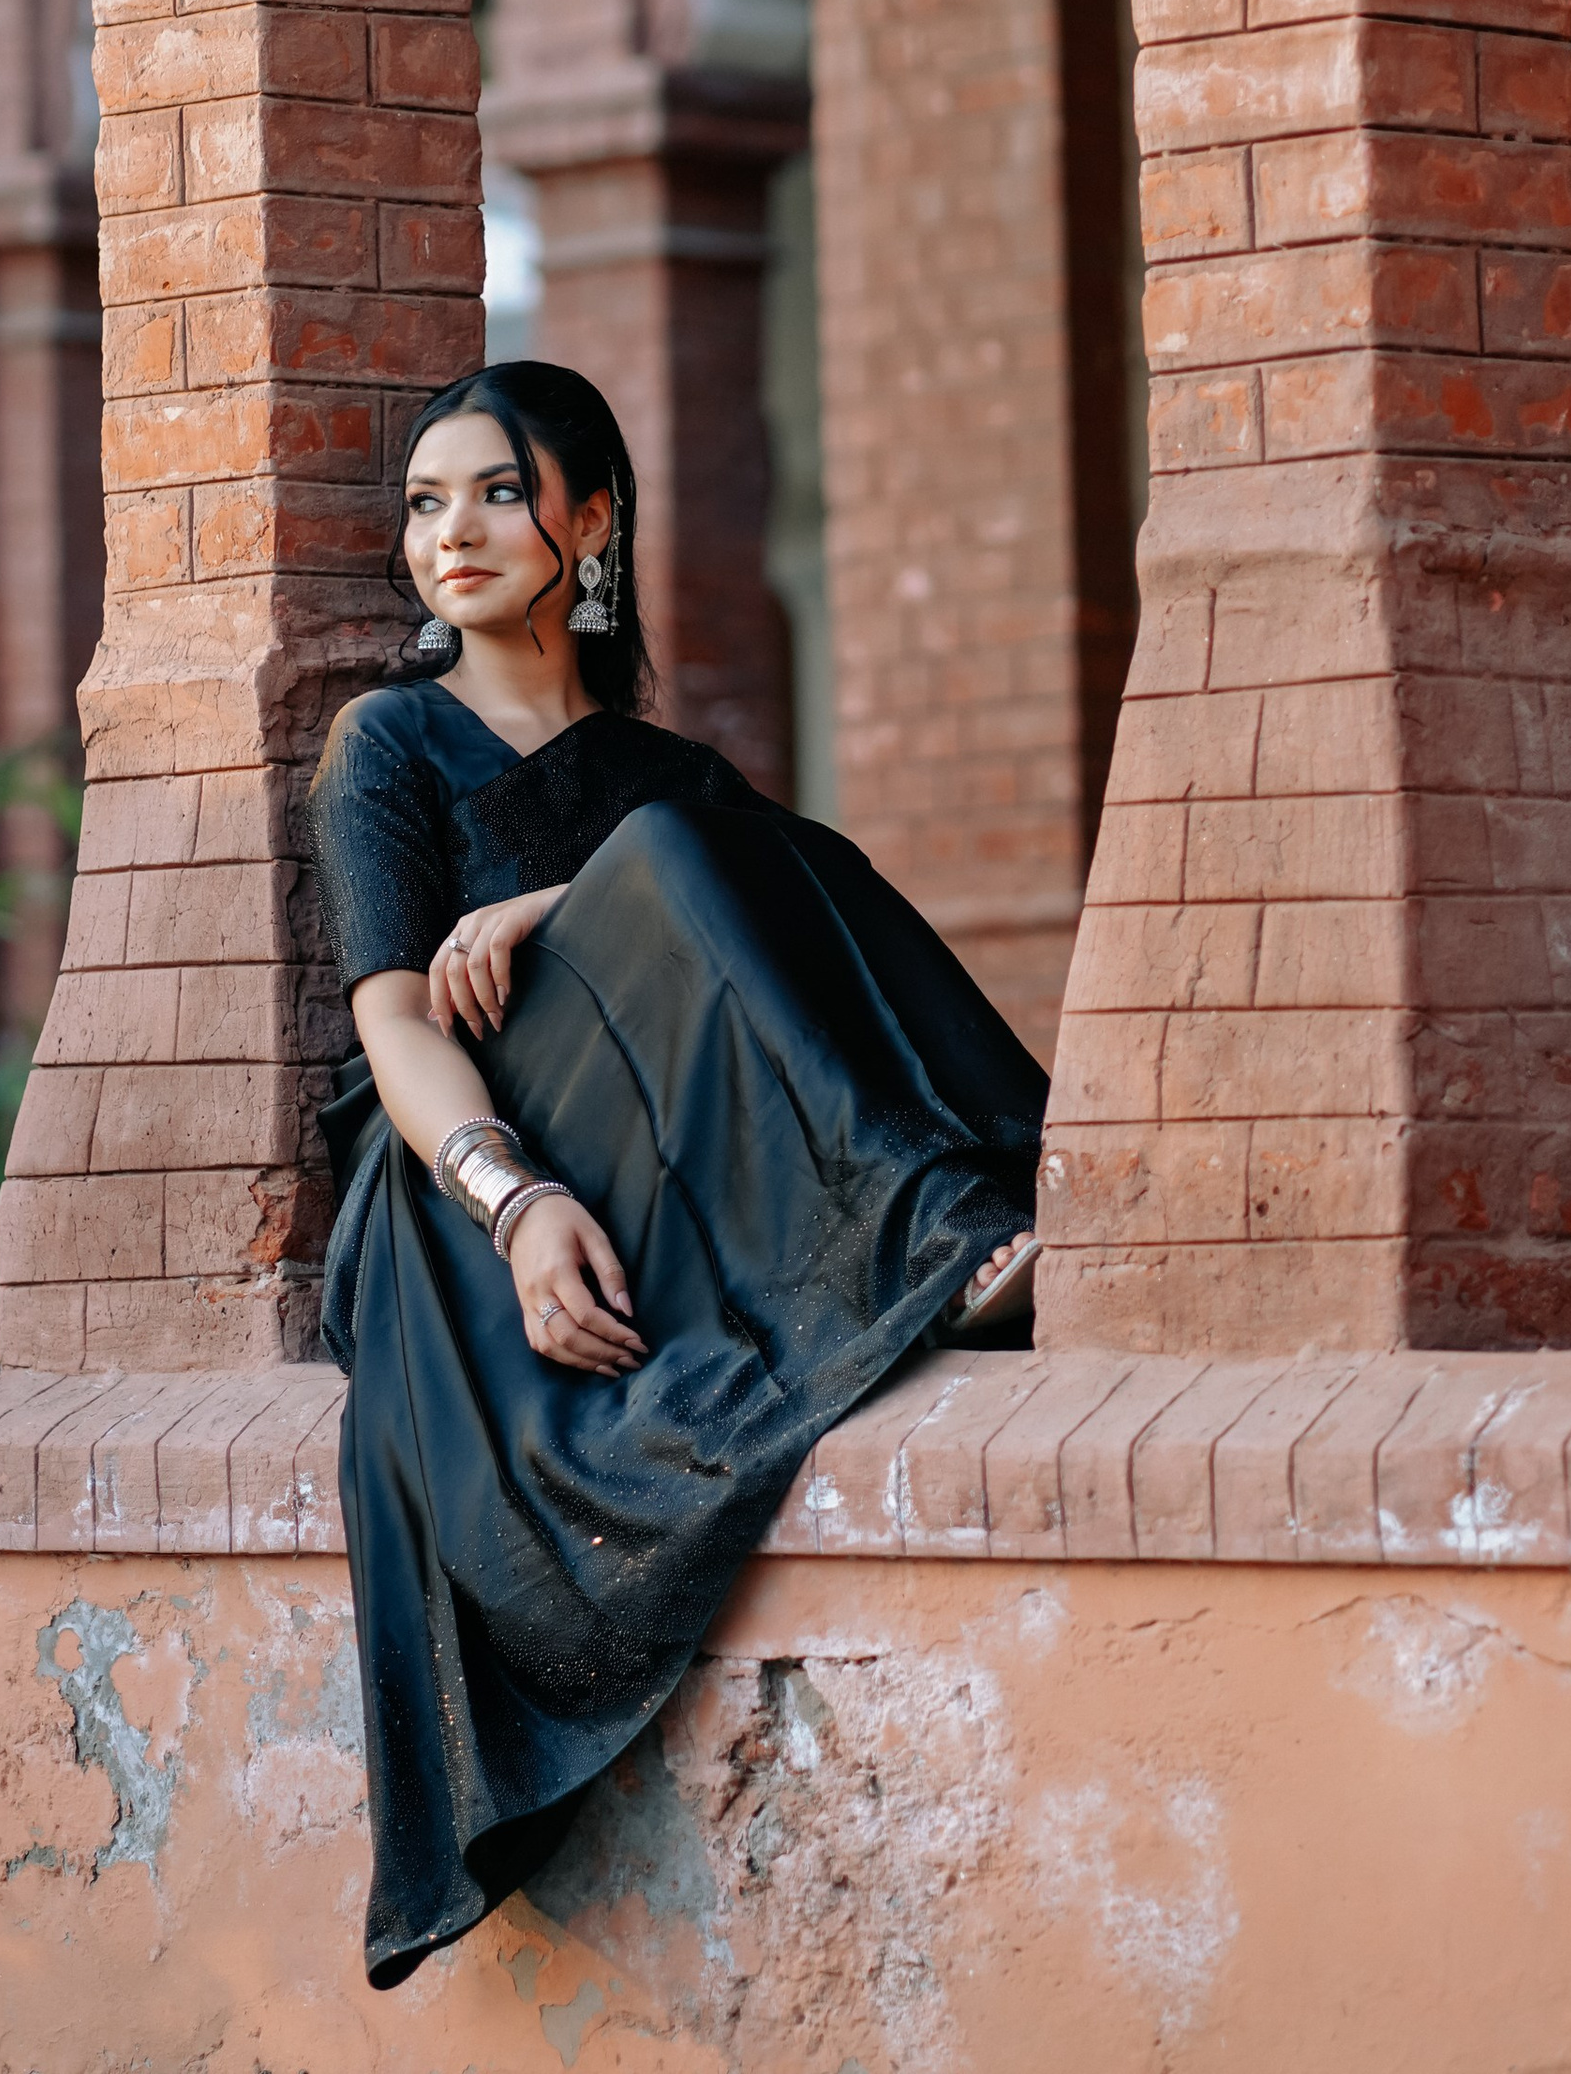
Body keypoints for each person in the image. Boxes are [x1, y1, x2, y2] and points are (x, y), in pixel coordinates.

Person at [308, 360, 1048, 1991]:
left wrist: (568, 899)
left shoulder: (665, 784)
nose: (454, 534)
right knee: (683, 849)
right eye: (426, 504)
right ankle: (934, 1225)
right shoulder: (392, 744)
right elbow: (396, 1027)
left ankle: (995, 1187)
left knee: (765, 848)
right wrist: (514, 1201)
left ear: (591, 518)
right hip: (460, 1191)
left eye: (498, 491)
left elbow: (757, 914)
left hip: (641, 1147)